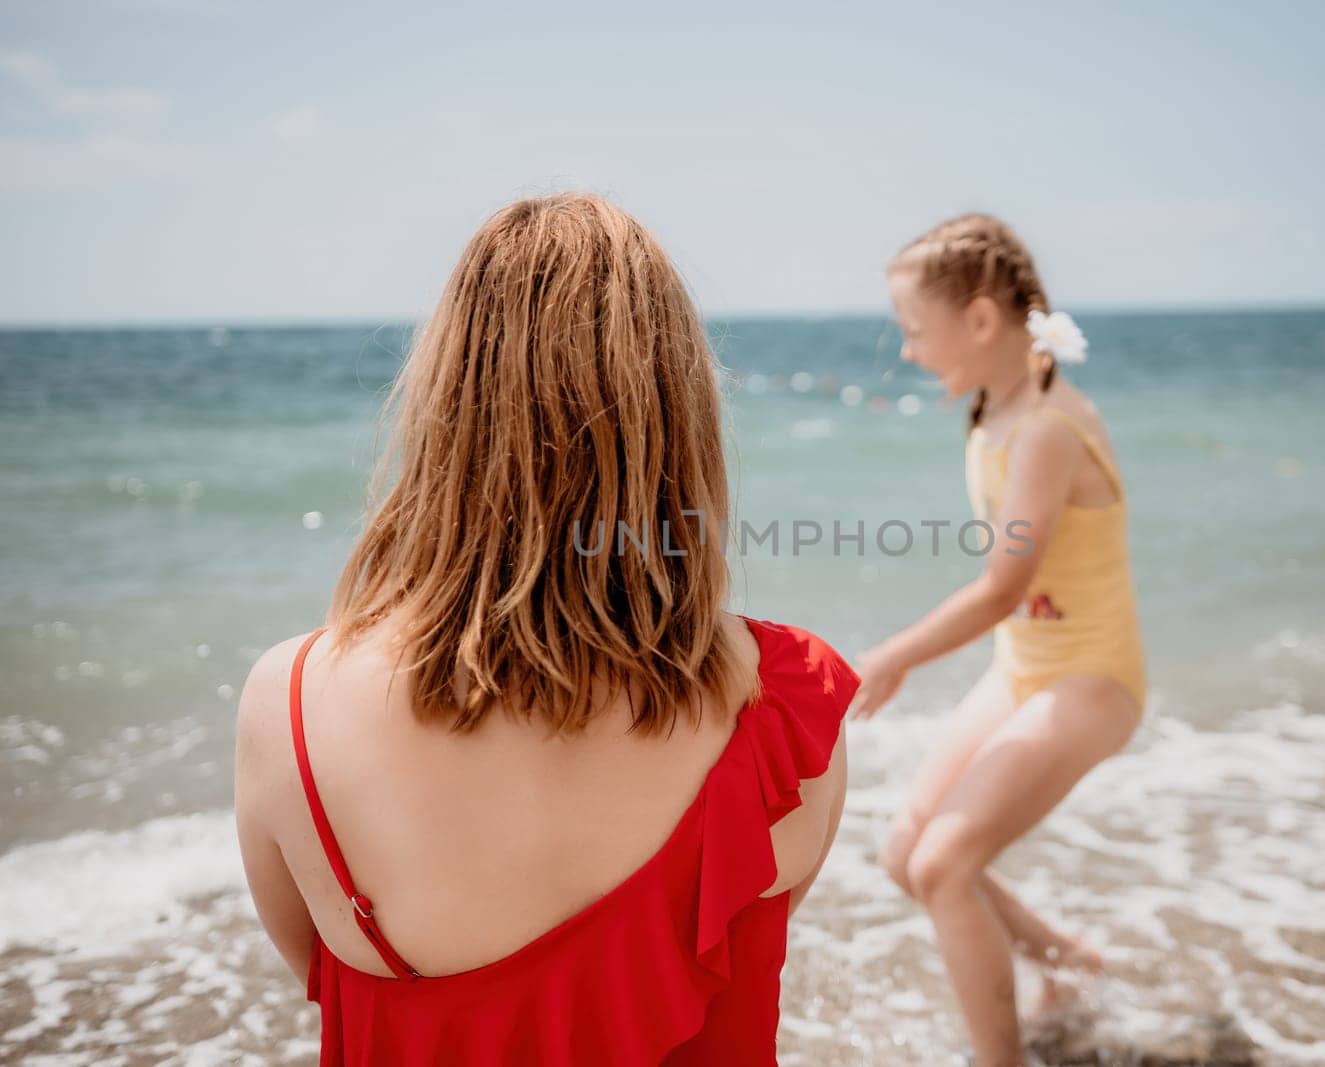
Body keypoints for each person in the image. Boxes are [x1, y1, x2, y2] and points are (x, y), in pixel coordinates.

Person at [233, 193, 859, 1065]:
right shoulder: (790, 705)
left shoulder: (288, 701)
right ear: (679, 412)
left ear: (445, 405)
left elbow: (313, 965)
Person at [849, 214, 1145, 1067]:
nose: (907, 351)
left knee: (944, 864)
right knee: (908, 851)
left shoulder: (1048, 427)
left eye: (914, 331)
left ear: (981, 321)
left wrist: (895, 653)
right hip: (1028, 667)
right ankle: (1069, 959)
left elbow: (1004, 588)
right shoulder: (994, 400)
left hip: (1090, 679)